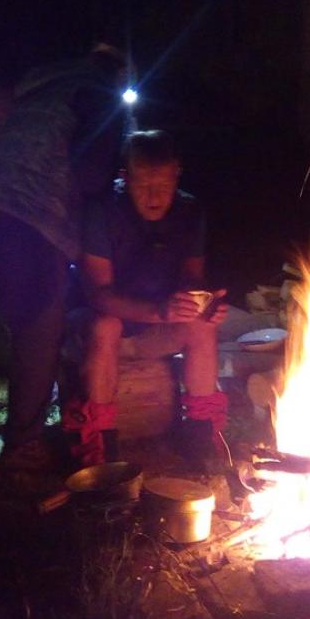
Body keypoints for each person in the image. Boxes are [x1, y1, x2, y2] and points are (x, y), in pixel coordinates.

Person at [0, 44, 128, 486]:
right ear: (117, 75)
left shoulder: (39, 93)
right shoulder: (99, 95)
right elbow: (91, 174)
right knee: (39, 336)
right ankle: (21, 450)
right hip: (29, 222)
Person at [67, 129, 228, 466]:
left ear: (177, 174)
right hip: (99, 330)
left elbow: (192, 277)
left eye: (164, 185)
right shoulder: (101, 212)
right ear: (124, 177)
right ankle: (98, 444)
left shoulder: (189, 211)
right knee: (106, 325)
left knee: (202, 327)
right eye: (142, 185)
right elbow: (98, 295)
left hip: (155, 329)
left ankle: (200, 434)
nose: (154, 196)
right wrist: (159, 311)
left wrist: (204, 303)